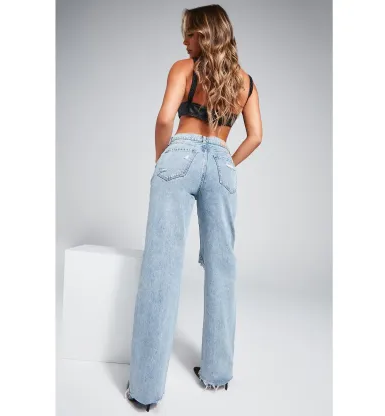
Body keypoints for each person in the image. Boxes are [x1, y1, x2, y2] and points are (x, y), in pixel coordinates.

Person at [126, 4, 263, 411]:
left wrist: (162, 162)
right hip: (221, 159)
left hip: (180, 154)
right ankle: (217, 374)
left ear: (205, 35)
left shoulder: (184, 68)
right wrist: (224, 164)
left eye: (189, 34)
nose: (184, 41)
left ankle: (145, 390)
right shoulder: (245, 81)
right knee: (222, 267)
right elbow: (256, 136)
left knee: (162, 267)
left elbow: (164, 119)